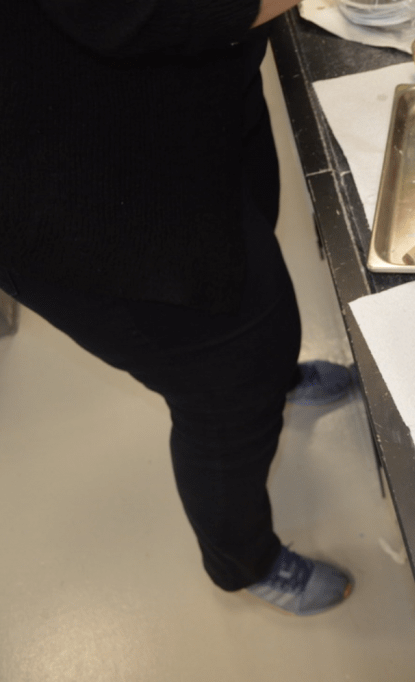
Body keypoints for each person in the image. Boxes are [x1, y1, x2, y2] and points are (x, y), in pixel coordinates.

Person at [1, 0, 355, 616]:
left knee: (250, 273)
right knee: (228, 384)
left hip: (184, 102)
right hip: (79, 178)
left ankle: (276, 379)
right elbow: (140, 15)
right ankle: (243, 562)